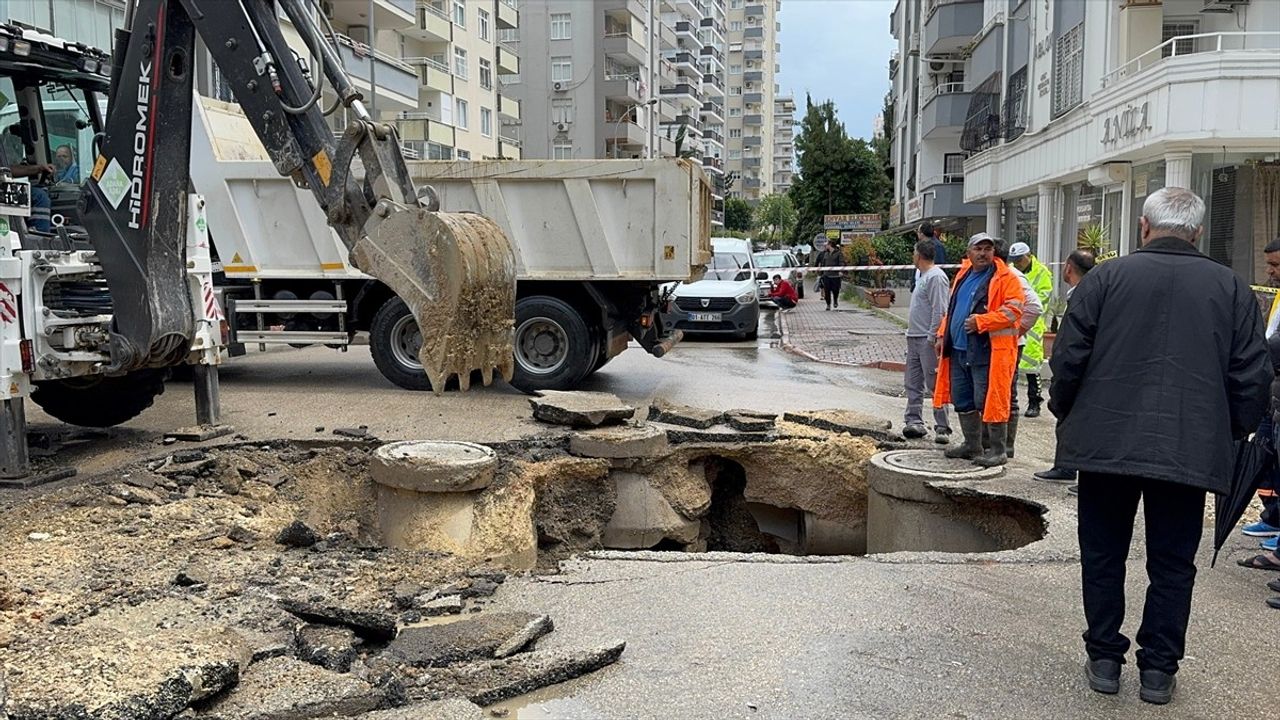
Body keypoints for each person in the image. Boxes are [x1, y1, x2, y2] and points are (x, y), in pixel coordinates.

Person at [1050, 187, 1271, 704]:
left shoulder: (1104, 278)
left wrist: (1071, 415)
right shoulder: (1232, 288)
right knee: (1173, 562)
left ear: (1144, 228)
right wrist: (1229, 431)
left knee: (1102, 553)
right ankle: (1158, 671)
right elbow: (1252, 374)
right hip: (1189, 448)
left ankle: (1105, 657)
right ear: (1195, 232)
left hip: (1106, 444)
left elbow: (1068, 360)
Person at [933, 232, 1024, 467]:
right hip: (959, 350)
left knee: (990, 401)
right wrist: (943, 334)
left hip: (987, 351)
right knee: (963, 399)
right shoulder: (963, 275)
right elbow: (952, 310)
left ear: (994, 252)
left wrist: (982, 322)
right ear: (969, 252)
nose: (983, 253)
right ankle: (971, 445)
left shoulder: (1006, 278)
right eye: (978, 249)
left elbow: (1013, 311)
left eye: (987, 249)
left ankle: (997, 450)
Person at [1034, 249, 1095, 489]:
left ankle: (1073, 468)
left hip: (1080, 372)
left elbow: (1074, 342)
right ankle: (1066, 466)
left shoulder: (1083, 296)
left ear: (1068, 268)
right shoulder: (1089, 293)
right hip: (1082, 369)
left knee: (1073, 418)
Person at [1242, 238, 1280, 547]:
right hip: (1272, 393)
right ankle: (1272, 519)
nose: (1270, 272)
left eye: (1276, 265)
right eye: (1268, 264)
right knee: (1267, 457)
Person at [990, 239, 1042, 460]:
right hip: (994, 343)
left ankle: (1006, 446)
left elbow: (1035, 306)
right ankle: (995, 444)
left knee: (1007, 394)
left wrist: (1017, 330)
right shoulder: (994, 276)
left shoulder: (1014, 277)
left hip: (1009, 344)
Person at [902, 239, 952, 444]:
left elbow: (939, 310)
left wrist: (934, 336)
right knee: (913, 382)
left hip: (927, 339)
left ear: (919, 255)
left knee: (934, 383)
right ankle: (914, 421)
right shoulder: (921, 275)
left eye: (914, 253)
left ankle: (942, 427)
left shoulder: (936, 277)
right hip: (914, 336)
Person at [1007, 242, 1052, 417]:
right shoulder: (1012, 271)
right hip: (1014, 320)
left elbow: (1043, 298)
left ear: (1029, 255)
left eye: (1020, 259)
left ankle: (1035, 401)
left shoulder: (1042, 272)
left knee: (1033, 366)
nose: (1017, 263)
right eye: (1015, 260)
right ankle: (1013, 401)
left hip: (1032, 323)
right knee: (1013, 368)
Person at [817, 237, 844, 311]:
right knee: (827, 290)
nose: (826, 246)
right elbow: (823, 263)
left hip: (835, 276)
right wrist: (821, 272)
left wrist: (841, 271)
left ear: (830, 245)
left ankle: (835, 300)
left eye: (827, 245)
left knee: (835, 290)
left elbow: (841, 262)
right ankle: (828, 304)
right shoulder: (826, 254)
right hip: (826, 275)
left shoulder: (838, 253)